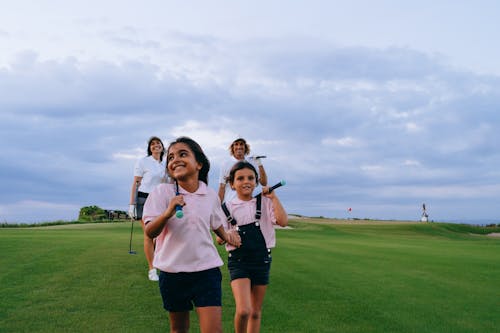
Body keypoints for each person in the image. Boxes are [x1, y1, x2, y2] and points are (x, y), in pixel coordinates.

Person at [143, 136, 241, 333]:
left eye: (183, 154)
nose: (175, 159)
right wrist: (168, 212)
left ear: (199, 164)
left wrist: (229, 236)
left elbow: (218, 227)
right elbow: (150, 230)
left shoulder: (210, 195)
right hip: (172, 274)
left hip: (207, 271)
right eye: (170, 157)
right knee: (179, 330)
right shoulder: (162, 192)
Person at [217, 161, 288, 333]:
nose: (246, 181)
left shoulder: (265, 202)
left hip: (262, 261)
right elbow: (220, 239)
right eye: (240, 178)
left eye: (250, 178)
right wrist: (228, 236)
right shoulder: (226, 208)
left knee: (255, 312)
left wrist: (273, 197)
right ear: (232, 184)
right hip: (239, 262)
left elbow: (283, 221)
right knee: (243, 311)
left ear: (256, 182)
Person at [128, 136, 168, 281]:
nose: (155, 145)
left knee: (161, 235)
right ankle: (152, 269)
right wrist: (132, 205)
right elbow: (135, 183)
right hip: (144, 198)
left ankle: (159, 262)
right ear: (149, 148)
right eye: (152, 144)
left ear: (162, 147)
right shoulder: (143, 161)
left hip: (161, 199)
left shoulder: (166, 163)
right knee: (149, 234)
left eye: (158, 143)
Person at [218, 137, 268, 203]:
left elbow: (264, 183)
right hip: (229, 204)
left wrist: (259, 164)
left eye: (241, 144)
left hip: (246, 204)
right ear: (232, 147)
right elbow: (222, 187)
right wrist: (217, 207)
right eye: (236, 144)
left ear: (245, 147)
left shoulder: (252, 162)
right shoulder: (225, 164)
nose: (239, 147)